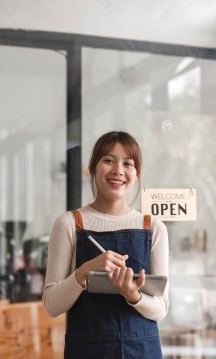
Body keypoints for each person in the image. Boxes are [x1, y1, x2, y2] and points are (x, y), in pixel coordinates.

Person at [43, 131, 169, 358]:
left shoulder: (153, 227)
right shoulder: (69, 223)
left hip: (142, 352)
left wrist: (133, 295)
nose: (118, 170)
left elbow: (161, 310)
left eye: (127, 164)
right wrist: (83, 272)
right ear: (93, 167)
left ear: (137, 174)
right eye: (108, 160)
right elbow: (52, 305)